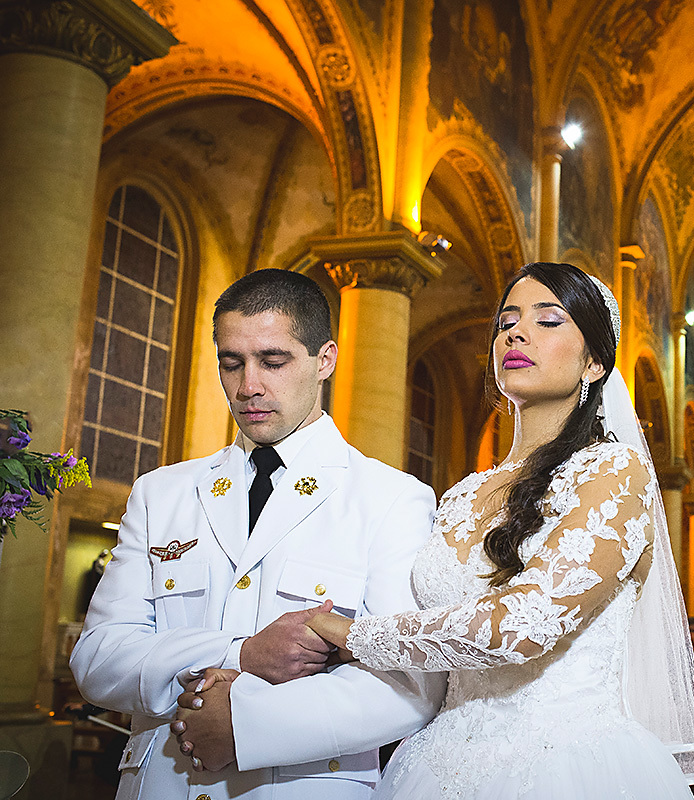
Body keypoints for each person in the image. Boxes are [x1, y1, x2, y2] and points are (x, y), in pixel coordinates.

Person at [226, 263, 694, 798]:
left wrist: (347, 632)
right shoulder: (463, 495)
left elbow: (527, 622)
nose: (517, 333)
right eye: (508, 321)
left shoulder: (613, 471)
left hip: (561, 764)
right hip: (436, 760)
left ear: (594, 363)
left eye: (548, 320)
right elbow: (421, 633)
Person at [70, 269, 446, 799]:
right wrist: (240, 655)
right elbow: (98, 660)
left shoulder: (390, 498)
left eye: (273, 361)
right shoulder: (161, 493)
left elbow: (408, 686)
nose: (248, 386)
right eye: (231, 363)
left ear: (325, 360)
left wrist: (245, 727)